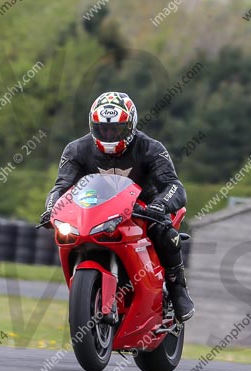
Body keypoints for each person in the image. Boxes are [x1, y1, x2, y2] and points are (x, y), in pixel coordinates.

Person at [40, 91, 195, 322]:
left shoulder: (151, 148)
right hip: (96, 211)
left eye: (116, 129)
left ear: (130, 125)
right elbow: (61, 186)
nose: (109, 135)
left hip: (143, 208)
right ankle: (89, 298)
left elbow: (174, 186)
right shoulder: (76, 149)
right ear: (93, 126)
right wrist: (51, 209)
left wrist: (159, 205)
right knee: (67, 233)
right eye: (103, 129)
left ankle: (177, 288)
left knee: (165, 233)